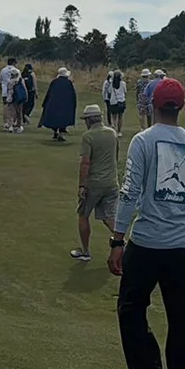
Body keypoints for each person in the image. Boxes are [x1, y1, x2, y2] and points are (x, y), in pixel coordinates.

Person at [110, 77, 185, 369]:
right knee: (180, 318)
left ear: (153, 104)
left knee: (130, 306)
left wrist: (117, 238)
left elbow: (130, 193)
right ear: (182, 107)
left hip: (147, 241)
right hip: (183, 246)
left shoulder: (143, 141)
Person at [70, 105, 120, 261]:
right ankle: (125, 243)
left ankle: (85, 252)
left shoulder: (88, 136)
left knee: (83, 215)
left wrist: (82, 186)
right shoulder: (112, 133)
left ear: (89, 120)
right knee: (109, 217)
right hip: (112, 182)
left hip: (94, 184)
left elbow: (85, 163)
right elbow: (115, 157)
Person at [41, 66, 78, 141]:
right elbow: (72, 95)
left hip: (53, 104)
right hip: (65, 105)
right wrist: (74, 104)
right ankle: (61, 134)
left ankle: (55, 132)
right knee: (63, 120)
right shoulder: (68, 83)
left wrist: (45, 103)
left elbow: (49, 93)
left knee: (54, 118)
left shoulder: (54, 82)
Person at [0, 57, 22, 132]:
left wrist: (1, 90)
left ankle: (6, 122)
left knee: (6, 106)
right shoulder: (17, 71)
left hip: (5, 90)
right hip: (15, 92)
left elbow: (0, 81)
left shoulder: (3, 70)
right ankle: (14, 123)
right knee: (16, 108)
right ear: (13, 63)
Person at [103, 69, 128, 136]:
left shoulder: (111, 84)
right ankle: (119, 131)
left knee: (114, 118)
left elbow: (109, 92)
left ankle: (114, 131)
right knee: (120, 117)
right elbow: (125, 92)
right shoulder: (123, 83)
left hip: (113, 101)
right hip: (121, 101)